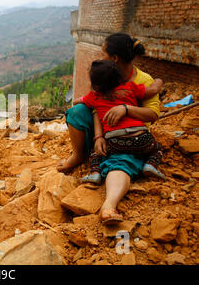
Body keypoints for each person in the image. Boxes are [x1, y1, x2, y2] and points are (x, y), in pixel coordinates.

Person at [57, 33, 162, 225]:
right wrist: (99, 136)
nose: (100, 56)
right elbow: (93, 107)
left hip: (122, 139)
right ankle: (80, 155)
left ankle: (108, 201)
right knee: (77, 112)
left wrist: (125, 109)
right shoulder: (112, 77)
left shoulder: (141, 80)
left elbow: (153, 114)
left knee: (119, 163)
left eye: (103, 53)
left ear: (114, 58)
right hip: (122, 137)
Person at [73, 60, 165, 188]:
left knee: (95, 152)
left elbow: (76, 102)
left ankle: (95, 173)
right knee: (158, 148)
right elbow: (154, 89)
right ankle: (150, 165)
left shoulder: (94, 96)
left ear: (96, 86)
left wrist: (93, 100)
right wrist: (159, 80)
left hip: (114, 141)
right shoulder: (131, 88)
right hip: (141, 137)